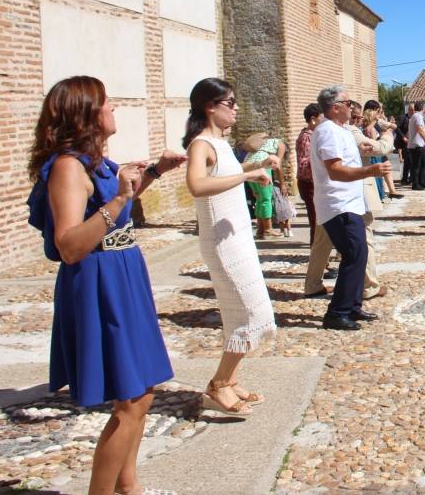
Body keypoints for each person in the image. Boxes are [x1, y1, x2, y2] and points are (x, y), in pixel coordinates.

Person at [27, 76, 184, 495]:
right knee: (130, 401)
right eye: (106, 102)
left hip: (124, 272)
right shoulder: (68, 167)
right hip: (99, 280)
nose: (113, 107)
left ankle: (127, 485)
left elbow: (119, 203)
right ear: (85, 114)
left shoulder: (94, 160)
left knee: (142, 393)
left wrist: (152, 173)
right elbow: (69, 246)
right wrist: (117, 201)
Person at [183, 78, 278, 415]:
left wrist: (256, 166)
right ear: (211, 106)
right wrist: (246, 176)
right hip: (222, 242)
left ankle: (232, 379)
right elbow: (196, 184)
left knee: (239, 312)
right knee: (253, 310)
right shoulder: (201, 145)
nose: (236, 108)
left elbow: (226, 173)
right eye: (230, 102)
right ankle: (218, 384)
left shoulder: (221, 144)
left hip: (238, 236)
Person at [311, 84, 391, 331]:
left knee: (360, 254)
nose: (352, 106)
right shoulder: (327, 131)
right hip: (338, 204)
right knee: (354, 254)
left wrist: (361, 151)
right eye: (347, 103)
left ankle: (353, 306)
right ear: (335, 108)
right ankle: (337, 312)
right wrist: (371, 170)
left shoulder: (341, 130)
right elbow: (334, 170)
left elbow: (344, 158)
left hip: (350, 203)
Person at [348, 100, 396, 300]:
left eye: (360, 117)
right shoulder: (350, 131)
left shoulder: (331, 129)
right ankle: (369, 286)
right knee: (366, 237)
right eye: (356, 117)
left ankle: (313, 282)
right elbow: (378, 148)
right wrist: (387, 133)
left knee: (323, 241)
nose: (358, 120)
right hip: (353, 188)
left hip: (337, 191)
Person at [244, 132, 286, 239]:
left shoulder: (263, 145)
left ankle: (260, 230)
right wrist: (282, 184)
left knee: (259, 198)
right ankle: (268, 229)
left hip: (248, 166)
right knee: (266, 199)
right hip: (262, 166)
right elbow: (278, 164)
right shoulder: (280, 144)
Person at [296, 103, 322, 245]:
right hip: (309, 183)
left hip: (314, 183)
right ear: (313, 119)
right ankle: (317, 258)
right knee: (316, 222)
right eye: (321, 119)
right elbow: (304, 164)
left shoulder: (314, 136)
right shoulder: (307, 137)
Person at [406, 101, 425, 190]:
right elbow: (419, 129)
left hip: (416, 144)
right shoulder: (418, 116)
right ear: (423, 109)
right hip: (417, 145)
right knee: (417, 165)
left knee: (424, 163)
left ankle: (421, 182)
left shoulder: (414, 116)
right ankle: (415, 184)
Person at [397, 103, 413, 185]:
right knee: (407, 161)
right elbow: (397, 128)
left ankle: (411, 178)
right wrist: (403, 137)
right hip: (405, 142)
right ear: (409, 110)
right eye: (412, 110)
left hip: (413, 142)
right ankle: (405, 178)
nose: (413, 112)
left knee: (412, 161)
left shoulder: (415, 118)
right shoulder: (403, 117)